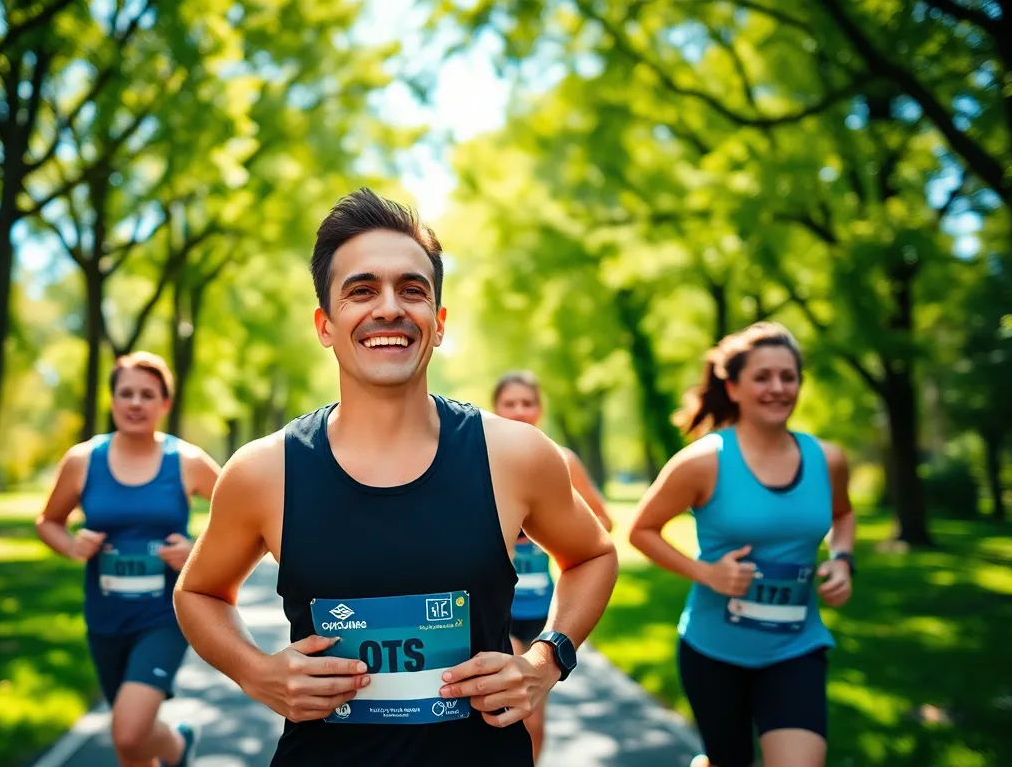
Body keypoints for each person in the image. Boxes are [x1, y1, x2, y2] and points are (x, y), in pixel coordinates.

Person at [172, 188, 619, 767]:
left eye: (412, 290)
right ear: (325, 325)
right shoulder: (264, 470)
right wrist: (257, 673)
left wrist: (546, 659)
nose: (389, 308)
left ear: (437, 322)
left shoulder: (514, 454)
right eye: (361, 291)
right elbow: (198, 591)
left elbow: (594, 555)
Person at [626, 322, 855, 767]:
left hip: (796, 648)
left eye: (788, 377)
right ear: (733, 387)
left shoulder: (827, 459)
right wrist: (705, 572)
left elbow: (843, 515)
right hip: (714, 653)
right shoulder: (704, 461)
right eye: (762, 377)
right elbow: (641, 530)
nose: (778, 388)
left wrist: (843, 559)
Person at [35, 351, 223, 767]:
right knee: (129, 747)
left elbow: (243, 516)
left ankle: (173, 746)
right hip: (105, 618)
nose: (135, 403)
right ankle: (176, 750)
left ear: (164, 404)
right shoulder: (83, 460)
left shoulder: (187, 461)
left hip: (166, 616)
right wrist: (70, 545)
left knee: (128, 729)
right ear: (113, 400)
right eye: (126, 393)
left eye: (147, 394)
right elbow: (48, 521)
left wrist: (198, 552)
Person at [491, 370, 614, 760]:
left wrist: (556, 530)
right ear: (496, 408)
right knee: (503, 709)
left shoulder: (560, 460)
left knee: (533, 720)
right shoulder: (485, 462)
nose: (519, 410)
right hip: (501, 611)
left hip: (545, 608)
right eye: (510, 403)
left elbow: (603, 525)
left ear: (539, 410)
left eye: (527, 403)